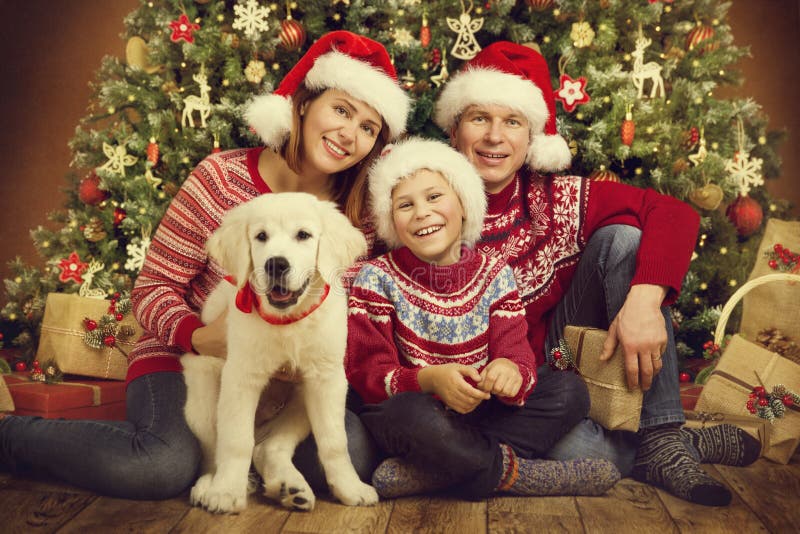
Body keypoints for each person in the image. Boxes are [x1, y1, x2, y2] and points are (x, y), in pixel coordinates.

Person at [0, 31, 411, 500]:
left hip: (292, 378)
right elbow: (152, 288)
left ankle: (265, 457)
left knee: (353, 455)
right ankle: (12, 438)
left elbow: (354, 315)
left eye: (368, 127)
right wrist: (198, 335)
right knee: (161, 466)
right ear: (302, 105)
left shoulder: (357, 218)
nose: (348, 134)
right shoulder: (219, 178)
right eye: (341, 110)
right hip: (186, 359)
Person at [430, 41, 761, 506]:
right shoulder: (423, 196)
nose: (494, 137)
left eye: (512, 121)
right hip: (466, 386)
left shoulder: (556, 197)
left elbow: (675, 213)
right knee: (580, 449)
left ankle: (663, 432)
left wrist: (645, 301)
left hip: (550, 365)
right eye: (479, 118)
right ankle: (665, 447)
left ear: (532, 137)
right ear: (455, 128)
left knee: (623, 237)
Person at [346, 137, 621, 500]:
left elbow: (516, 352)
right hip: (417, 416)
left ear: (464, 205)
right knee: (409, 416)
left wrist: (508, 370)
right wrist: (429, 379)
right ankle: (513, 475)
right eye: (404, 205)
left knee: (568, 391)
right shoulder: (376, 279)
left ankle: (436, 473)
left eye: (434, 197)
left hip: (481, 414)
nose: (421, 213)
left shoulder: (495, 273)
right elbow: (367, 375)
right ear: (391, 222)